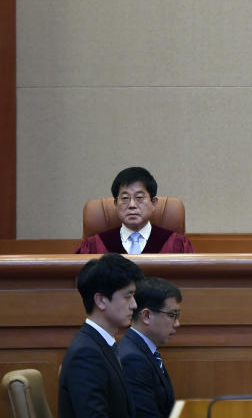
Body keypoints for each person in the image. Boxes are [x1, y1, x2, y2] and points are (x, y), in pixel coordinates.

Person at [59, 253, 145, 418]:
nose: (134, 305)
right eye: (128, 296)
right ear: (101, 301)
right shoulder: (86, 354)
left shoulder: (101, 344)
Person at [76, 167, 194, 254]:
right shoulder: (93, 246)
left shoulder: (177, 245)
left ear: (153, 203)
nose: (132, 205)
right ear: (116, 204)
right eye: (125, 198)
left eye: (139, 198)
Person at [119, 277, 182, 418]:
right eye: (173, 315)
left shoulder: (144, 351)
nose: (177, 323)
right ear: (146, 316)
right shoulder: (132, 359)